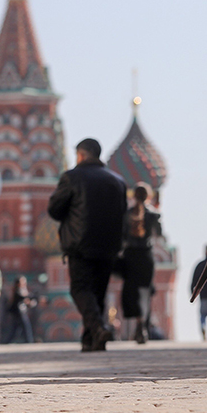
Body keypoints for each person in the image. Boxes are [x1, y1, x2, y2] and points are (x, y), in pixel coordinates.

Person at [47, 137, 128, 353]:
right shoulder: (117, 181)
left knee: (81, 289)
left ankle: (98, 329)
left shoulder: (72, 177)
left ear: (81, 155)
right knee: (98, 292)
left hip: (79, 243)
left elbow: (54, 209)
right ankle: (91, 339)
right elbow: (123, 215)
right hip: (109, 246)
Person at [120, 183, 162, 344]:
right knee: (145, 292)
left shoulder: (127, 214)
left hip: (130, 256)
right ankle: (143, 328)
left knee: (133, 292)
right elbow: (159, 234)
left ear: (133, 196)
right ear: (148, 196)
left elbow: (122, 237)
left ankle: (137, 324)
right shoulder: (153, 213)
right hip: (146, 256)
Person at [1, 277, 36, 343]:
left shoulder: (23, 290)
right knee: (25, 327)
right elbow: (23, 298)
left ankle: (7, 341)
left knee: (16, 329)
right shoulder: (17, 291)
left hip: (21, 312)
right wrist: (30, 297)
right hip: (18, 313)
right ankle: (29, 341)